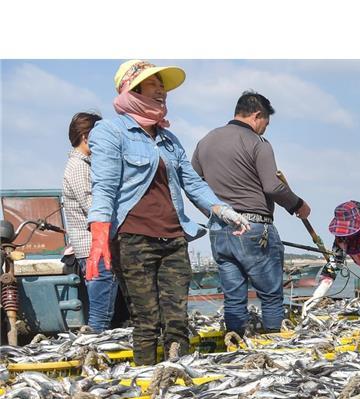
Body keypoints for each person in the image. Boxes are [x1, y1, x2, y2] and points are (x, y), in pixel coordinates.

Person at [86, 60, 249, 365]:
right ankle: (147, 382)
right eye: (154, 85)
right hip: (133, 240)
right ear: (132, 90)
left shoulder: (168, 140)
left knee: (177, 321)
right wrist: (99, 236)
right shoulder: (110, 131)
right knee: (146, 321)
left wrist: (225, 211)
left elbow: (192, 182)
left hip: (174, 239)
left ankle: (178, 383)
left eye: (163, 86)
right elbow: (104, 187)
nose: (162, 91)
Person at [191, 91, 311, 336]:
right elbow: (272, 186)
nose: (265, 129)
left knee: (234, 297)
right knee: (270, 295)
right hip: (255, 228)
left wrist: (213, 213)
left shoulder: (205, 141)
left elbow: (194, 185)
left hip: (219, 231)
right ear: (258, 115)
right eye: (266, 123)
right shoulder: (258, 143)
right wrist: (298, 205)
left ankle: (235, 342)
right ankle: (273, 344)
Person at [61, 111, 121, 333]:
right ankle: (94, 354)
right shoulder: (79, 168)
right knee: (101, 316)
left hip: (94, 249)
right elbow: (94, 209)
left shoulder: (83, 165)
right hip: (94, 250)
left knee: (104, 313)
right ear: (87, 137)